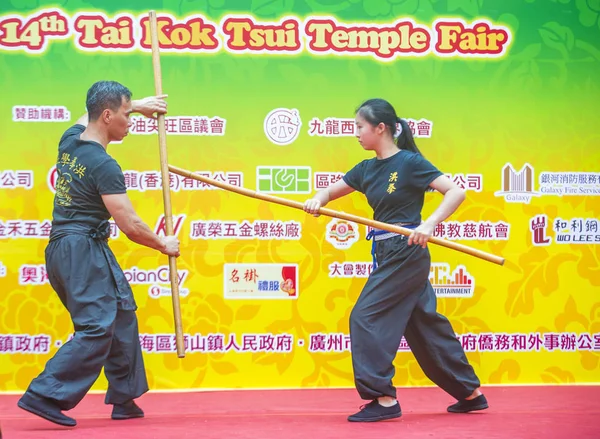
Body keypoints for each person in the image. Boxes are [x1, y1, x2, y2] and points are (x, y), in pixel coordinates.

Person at [303, 98, 488, 422]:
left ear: (380, 128)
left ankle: (384, 399)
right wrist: (316, 200)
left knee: (365, 317)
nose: (356, 133)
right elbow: (329, 192)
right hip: (386, 252)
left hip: (407, 252)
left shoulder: (410, 163)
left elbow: (455, 192)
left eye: (360, 127)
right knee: (424, 326)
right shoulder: (366, 169)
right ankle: (470, 393)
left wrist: (428, 225)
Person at [17, 80, 180, 427]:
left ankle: (124, 397)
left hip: (78, 246)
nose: (130, 121)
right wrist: (163, 243)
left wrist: (137, 104)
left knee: (121, 312)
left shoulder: (71, 140)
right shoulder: (104, 165)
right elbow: (130, 223)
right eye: (125, 114)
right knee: (96, 326)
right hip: (79, 249)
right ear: (107, 116)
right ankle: (45, 394)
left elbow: (86, 114)